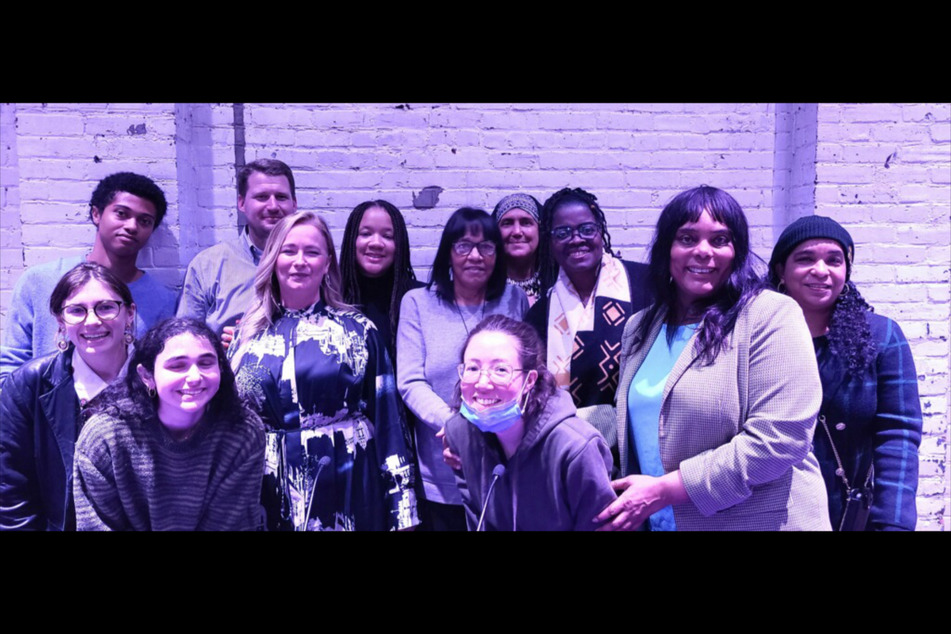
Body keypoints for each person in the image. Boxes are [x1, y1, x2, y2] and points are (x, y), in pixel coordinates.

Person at [598, 185, 831, 531]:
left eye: (720, 240)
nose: (703, 251)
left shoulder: (771, 315)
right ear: (667, 249)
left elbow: (780, 438)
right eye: (688, 238)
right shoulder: (640, 326)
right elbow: (632, 419)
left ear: (736, 251)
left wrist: (665, 490)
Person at [230, 211, 418, 531]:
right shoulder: (246, 335)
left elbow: (389, 424)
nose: (299, 261)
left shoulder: (359, 331)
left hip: (348, 486)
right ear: (273, 258)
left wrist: (403, 510)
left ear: (327, 262)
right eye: (288, 251)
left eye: (312, 252)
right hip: (267, 492)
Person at [768, 216, 922, 531]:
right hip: (771, 513)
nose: (821, 270)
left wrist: (893, 523)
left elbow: (899, 436)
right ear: (781, 271)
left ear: (846, 272)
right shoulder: (755, 337)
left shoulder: (881, 337)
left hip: (847, 516)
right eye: (805, 258)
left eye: (834, 260)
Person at [398, 207, 529, 531]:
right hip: (442, 469)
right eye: (463, 246)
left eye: (486, 246)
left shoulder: (514, 299)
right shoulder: (417, 303)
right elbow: (410, 380)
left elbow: (525, 373)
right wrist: (457, 427)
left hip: (506, 461)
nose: (475, 255)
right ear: (448, 252)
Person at [73, 318, 265, 531]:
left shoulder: (242, 432)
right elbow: (96, 525)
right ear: (146, 376)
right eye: (178, 365)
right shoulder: (105, 437)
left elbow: (231, 525)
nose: (194, 377)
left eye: (206, 363)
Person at [1, 172, 176, 385]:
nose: (132, 226)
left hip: (128, 415)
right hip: (42, 413)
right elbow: (10, 366)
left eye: (145, 221)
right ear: (96, 214)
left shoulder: (165, 300)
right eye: (121, 214)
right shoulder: (39, 281)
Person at [445, 315, 616, 531]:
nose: (482, 383)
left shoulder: (575, 448)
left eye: (500, 370)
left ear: (530, 381)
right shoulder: (460, 435)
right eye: (472, 368)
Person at [0, 263, 136, 530]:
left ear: (129, 313)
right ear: (61, 321)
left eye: (106, 307)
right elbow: (11, 493)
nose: (93, 320)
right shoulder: (27, 385)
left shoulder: (160, 377)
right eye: (76, 310)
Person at [525, 187, 650, 472]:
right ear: (550, 242)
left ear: (600, 231)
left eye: (586, 229)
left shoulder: (645, 284)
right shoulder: (539, 315)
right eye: (562, 233)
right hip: (574, 453)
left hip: (641, 446)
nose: (576, 239)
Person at [177, 159, 298, 339]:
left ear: (294, 204)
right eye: (262, 197)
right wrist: (219, 346)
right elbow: (184, 338)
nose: (273, 206)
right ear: (241, 203)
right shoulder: (208, 265)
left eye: (281, 197)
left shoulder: (312, 264)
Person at [339, 199, 423, 361]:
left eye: (387, 236)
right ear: (352, 240)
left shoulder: (419, 299)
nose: (376, 243)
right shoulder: (330, 296)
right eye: (366, 234)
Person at [492, 193, 544, 305]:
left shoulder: (555, 288)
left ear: (540, 230)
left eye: (526, 223)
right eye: (507, 223)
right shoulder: (485, 288)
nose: (517, 232)